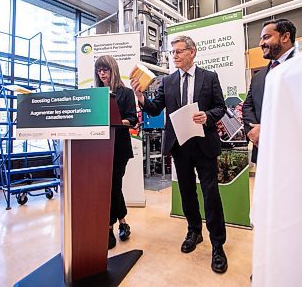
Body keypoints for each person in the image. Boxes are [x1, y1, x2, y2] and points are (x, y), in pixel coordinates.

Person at [130, 35, 228, 274]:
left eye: (179, 51)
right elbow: (155, 108)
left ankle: (218, 245)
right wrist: (141, 97)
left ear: (192, 52)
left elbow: (221, 107)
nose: (174, 55)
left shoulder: (209, 77)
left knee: (211, 194)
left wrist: (207, 116)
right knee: (186, 193)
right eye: (172, 52)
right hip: (180, 146)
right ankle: (194, 232)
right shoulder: (168, 81)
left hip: (204, 144)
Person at [94, 55, 138, 250]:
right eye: (99, 70)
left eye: (106, 69)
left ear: (113, 70)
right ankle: (123, 221)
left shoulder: (126, 93)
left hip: (119, 148)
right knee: (110, 187)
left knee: (113, 186)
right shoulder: (95, 94)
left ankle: (108, 227)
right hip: (99, 149)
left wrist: (116, 122)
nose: (102, 73)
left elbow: (133, 120)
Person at [242, 18, 297, 163]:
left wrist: (267, 130)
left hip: (297, 151)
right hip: (263, 151)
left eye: (266, 37)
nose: (261, 44)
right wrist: (253, 132)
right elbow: (248, 106)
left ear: (285, 37)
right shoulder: (258, 77)